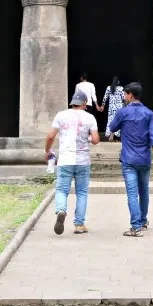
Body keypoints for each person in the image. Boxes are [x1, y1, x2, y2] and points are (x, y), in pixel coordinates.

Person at [106, 82, 153, 238]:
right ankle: (143, 221)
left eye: (125, 94)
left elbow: (112, 127)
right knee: (143, 192)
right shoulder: (149, 114)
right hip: (144, 159)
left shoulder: (123, 112)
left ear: (130, 95)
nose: (124, 97)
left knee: (132, 193)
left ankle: (135, 227)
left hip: (129, 160)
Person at [44, 88, 99, 235]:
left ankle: (61, 210)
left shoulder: (61, 115)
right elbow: (95, 140)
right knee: (81, 192)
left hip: (65, 159)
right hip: (83, 160)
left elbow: (50, 136)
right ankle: (79, 224)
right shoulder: (90, 118)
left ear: (73, 103)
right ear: (84, 103)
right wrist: (87, 138)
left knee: (62, 190)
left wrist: (47, 151)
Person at [99, 76, 125, 141]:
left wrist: (102, 106)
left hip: (111, 107)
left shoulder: (109, 88)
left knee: (111, 120)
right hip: (119, 107)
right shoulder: (121, 88)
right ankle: (117, 136)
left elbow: (105, 98)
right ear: (118, 82)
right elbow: (123, 98)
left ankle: (111, 132)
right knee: (119, 121)